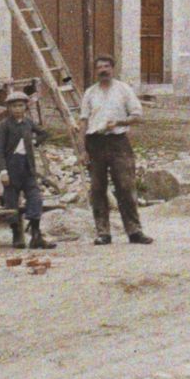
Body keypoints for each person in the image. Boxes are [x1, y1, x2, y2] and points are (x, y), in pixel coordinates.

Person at [80, 55, 150, 244]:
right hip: (94, 143)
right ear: (95, 71)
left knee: (126, 187)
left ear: (113, 69)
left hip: (118, 142)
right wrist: (82, 150)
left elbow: (137, 116)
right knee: (97, 189)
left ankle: (134, 231)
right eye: (99, 67)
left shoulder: (123, 89)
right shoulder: (90, 93)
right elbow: (83, 121)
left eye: (107, 66)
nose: (103, 70)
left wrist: (119, 122)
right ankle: (103, 233)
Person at [0, 91, 54, 249]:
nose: (18, 109)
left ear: (26, 106)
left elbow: (44, 133)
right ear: (9, 108)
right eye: (14, 106)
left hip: (28, 167)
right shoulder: (5, 126)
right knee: (11, 202)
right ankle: (17, 235)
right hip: (12, 168)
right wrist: (3, 171)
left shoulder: (28, 123)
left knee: (35, 198)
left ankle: (36, 235)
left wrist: (35, 141)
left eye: (20, 105)